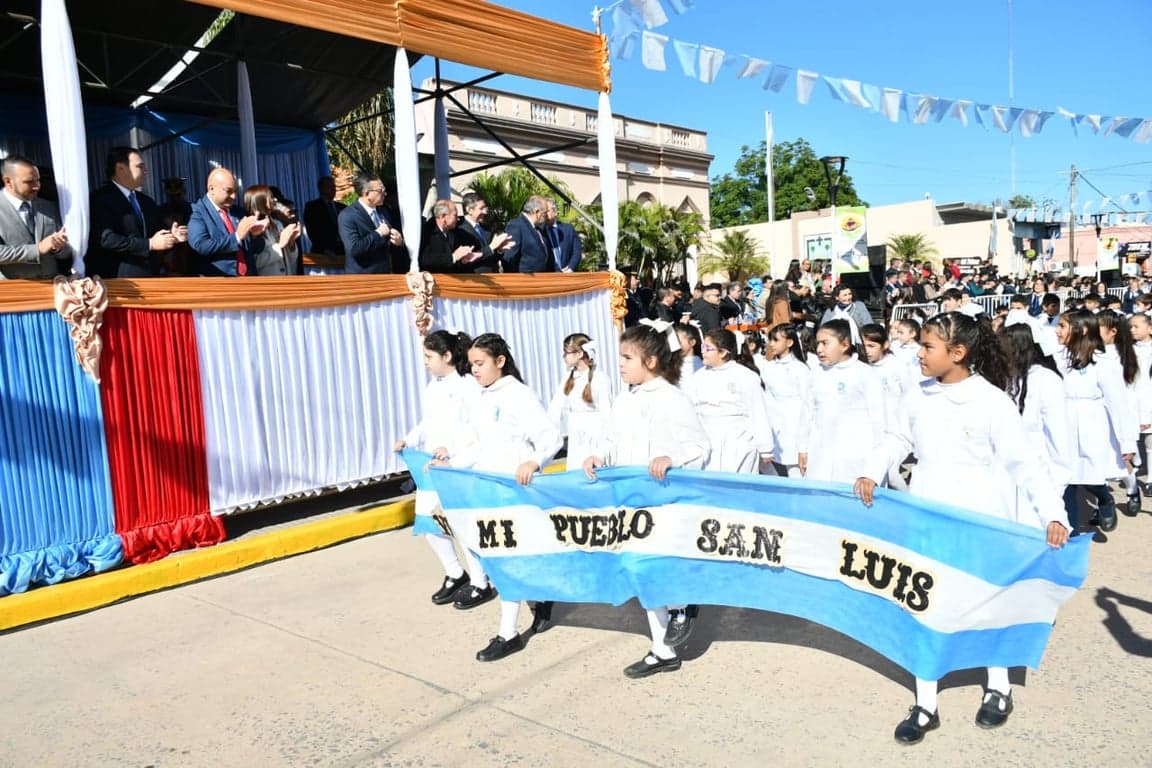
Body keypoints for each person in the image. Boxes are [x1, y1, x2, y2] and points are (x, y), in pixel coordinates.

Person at [853, 312, 1070, 744]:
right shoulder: (918, 395)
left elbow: (1025, 464)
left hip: (983, 522)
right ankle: (926, 703)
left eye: (928, 346)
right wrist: (871, 471)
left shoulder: (992, 402)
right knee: (927, 605)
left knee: (989, 604)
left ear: (958, 353)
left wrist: (1053, 512)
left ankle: (999, 688)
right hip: (931, 518)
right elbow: (898, 438)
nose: (918, 353)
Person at [582, 321, 710, 678]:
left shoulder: (672, 398)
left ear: (651, 360)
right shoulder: (625, 398)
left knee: (656, 568)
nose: (620, 364)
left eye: (627, 357)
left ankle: (683, 605)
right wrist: (598, 456)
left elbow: (699, 446)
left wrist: (673, 459)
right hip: (630, 500)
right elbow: (612, 440)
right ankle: (663, 649)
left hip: (663, 501)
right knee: (641, 572)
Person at [462, 333, 562, 662]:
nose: (475, 370)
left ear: (499, 361)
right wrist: (450, 457)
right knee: (498, 554)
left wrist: (533, 462)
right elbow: (475, 443)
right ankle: (542, 595)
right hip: (486, 490)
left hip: (514, 492)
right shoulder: (479, 396)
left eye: (480, 363)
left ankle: (508, 633)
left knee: (508, 560)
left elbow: (550, 437)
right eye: (472, 364)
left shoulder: (519, 395)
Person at [394, 330, 484, 606]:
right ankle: (455, 573)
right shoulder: (433, 386)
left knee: (461, 526)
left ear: (447, 356)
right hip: (431, 464)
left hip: (457, 465)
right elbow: (428, 422)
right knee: (429, 522)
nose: (425, 362)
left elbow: (474, 429)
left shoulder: (468, 385)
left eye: (429, 356)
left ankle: (481, 582)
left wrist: (452, 452)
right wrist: (409, 439)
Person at [1053, 309, 1134, 532]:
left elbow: (1118, 404)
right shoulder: (1056, 358)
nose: (1057, 331)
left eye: (1062, 326)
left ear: (1082, 329)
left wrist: (1127, 442)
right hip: (1063, 420)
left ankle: (1105, 499)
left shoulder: (1102, 361)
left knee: (1091, 476)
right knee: (1065, 478)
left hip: (1092, 421)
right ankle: (1072, 529)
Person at [798, 319, 884, 482]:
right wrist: (803, 448)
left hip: (855, 456)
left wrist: (875, 466)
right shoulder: (816, 374)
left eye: (825, 343)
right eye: (818, 344)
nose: (819, 349)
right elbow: (807, 413)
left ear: (845, 345)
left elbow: (879, 421)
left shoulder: (864, 374)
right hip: (820, 453)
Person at [87, 146, 184, 278]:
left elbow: (156, 233)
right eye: (140, 166)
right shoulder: (100, 199)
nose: (146, 171)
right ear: (121, 168)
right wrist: (149, 244)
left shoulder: (146, 201)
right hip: (120, 280)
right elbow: (106, 239)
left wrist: (173, 235)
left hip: (150, 276)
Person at [687, 328, 773, 474]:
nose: (703, 352)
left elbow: (758, 412)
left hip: (738, 442)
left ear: (723, 352)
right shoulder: (698, 377)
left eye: (708, 348)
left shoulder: (745, 376)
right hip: (708, 440)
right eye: (702, 347)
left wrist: (766, 449)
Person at [1097, 310, 1143, 514]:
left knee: (1123, 460)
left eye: (1098, 326)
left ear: (1112, 331)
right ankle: (1103, 502)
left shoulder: (1125, 356)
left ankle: (1132, 490)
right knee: (1099, 459)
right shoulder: (1094, 354)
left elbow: (1132, 393)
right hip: (1099, 414)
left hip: (1122, 415)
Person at [0, 155, 72, 279]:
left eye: (38, 180)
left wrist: (57, 248)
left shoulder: (48, 206)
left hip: (52, 285)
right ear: (8, 181)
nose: (37, 186)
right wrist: (37, 249)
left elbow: (67, 251)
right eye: (29, 181)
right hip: (13, 289)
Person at [547, 333, 611, 469]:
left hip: (595, 436)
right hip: (576, 434)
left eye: (567, 352)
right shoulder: (568, 378)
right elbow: (555, 407)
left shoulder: (600, 378)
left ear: (580, 353)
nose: (564, 356)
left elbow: (608, 416)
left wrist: (603, 449)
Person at [187, 167, 264, 276]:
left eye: (236, 191)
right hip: (218, 283)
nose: (234, 196)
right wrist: (236, 237)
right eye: (228, 191)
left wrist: (255, 236)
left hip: (248, 281)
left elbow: (256, 249)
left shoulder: (238, 211)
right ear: (211, 189)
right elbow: (201, 245)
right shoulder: (197, 212)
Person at [861, 324, 910, 490]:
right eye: (864, 346)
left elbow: (910, 395)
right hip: (873, 431)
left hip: (896, 432)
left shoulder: (896, 367)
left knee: (892, 474)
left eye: (872, 346)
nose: (867, 350)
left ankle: (908, 501)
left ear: (885, 345)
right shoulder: (863, 369)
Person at [760, 323, 810, 478]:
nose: (771, 344)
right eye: (770, 340)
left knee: (794, 467)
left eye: (776, 340)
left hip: (793, 422)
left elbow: (807, 402)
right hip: (773, 420)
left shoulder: (799, 369)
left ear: (789, 342)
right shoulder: (768, 366)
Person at [338, 172, 405, 274]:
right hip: (363, 277)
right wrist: (378, 233)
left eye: (384, 190)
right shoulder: (347, 215)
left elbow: (385, 244)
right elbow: (354, 249)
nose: (385, 193)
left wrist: (398, 241)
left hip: (385, 274)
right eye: (380, 190)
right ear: (366, 193)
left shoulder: (384, 211)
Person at [241, 185, 302, 276]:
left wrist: (291, 243)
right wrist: (280, 245)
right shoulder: (249, 227)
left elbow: (291, 259)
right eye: (271, 197)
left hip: (286, 280)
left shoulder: (277, 223)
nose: (276, 200)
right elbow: (253, 262)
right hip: (267, 283)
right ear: (259, 201)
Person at [419, 199, 483, 273]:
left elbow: (456, 262)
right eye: (455, 215)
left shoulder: (456, 232)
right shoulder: (426, 232)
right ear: (443, 217)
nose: (458, 219)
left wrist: (463, 260)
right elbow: (425, 259)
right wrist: (453, 257)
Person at [455, 192, 512, 273]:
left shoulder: (486, 228)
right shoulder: (460, 230)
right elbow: (466, 260)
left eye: (485, 208)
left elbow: (491, 258)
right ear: (470, 210)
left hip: (494, 278)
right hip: (475, 280)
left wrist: (499, 250)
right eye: (481, 208)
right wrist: (491, 247)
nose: (485, 212)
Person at [501, 196, 552, 273]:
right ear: (537, 212)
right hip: (524, 281)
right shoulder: (516, 225)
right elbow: (509, 258)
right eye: (544, 213)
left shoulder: (539, 229)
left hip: (541, 279)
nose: (547, 216)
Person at [302, 176, 346, 258]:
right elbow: (312, 230)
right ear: (321, 189)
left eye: (334, 186)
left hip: (343, 252)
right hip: (323, 253)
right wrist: (324, 249)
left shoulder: (342, 207)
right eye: (330, 186)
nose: (333, 189)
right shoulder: (312, 207)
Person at [542, 198, 582, 272]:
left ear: (555, 212)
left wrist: (570, 268)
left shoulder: (568, 229)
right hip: (548, 275)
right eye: (543, 211)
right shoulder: (540, 232)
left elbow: (577, 251)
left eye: (547, 211)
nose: (545, 214)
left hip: (568, 274)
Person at [674, 321, 703, 387]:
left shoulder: (699, 366)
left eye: (679, 341)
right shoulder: (675, 364)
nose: (676, 345)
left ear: (692, 342)